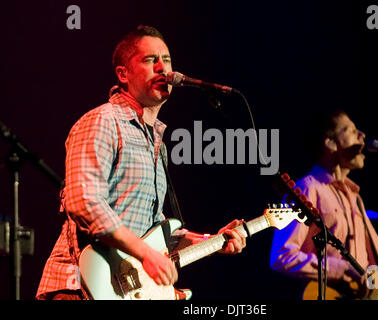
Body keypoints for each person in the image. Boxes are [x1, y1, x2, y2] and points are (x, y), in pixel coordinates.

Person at [36, 25, 246, 300]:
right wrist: (146, 254)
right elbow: (84, 201)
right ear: (123, 74)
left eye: (167, 59)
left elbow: (154, 231)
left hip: (123, 290)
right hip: (79, 286)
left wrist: (211, 241)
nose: (163, 68)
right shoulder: (102, 122)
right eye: (150, 60)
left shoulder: (155, 140)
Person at [270, 109, 378, 300]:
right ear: (331, 143)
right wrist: (340, 269)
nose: (363, 136)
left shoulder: (355, 199)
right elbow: (282, 256)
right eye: (351, 130)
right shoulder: (307, 190)